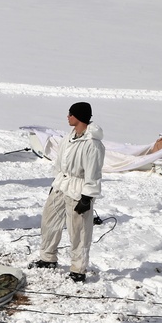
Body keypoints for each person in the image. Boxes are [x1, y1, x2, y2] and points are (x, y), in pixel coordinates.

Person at [29, 102, 105, 282]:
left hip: (79, 190)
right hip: (61, 185)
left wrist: (87, 196)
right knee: (49, 221)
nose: (67, 117)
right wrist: (55, 183)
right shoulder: (69, 137)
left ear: (79, 117)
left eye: (70, 114)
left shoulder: (92, 144)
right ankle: (48, 258)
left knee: (78, 231)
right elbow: (59, 163)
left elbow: (93, 172)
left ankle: (78, 269)